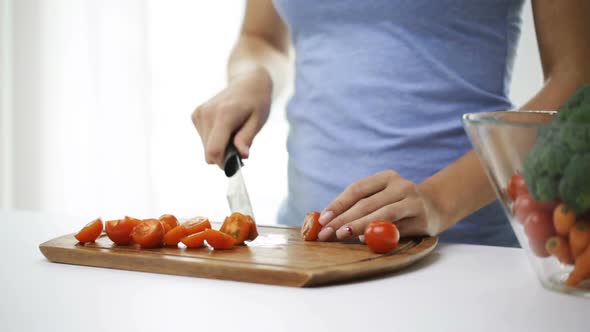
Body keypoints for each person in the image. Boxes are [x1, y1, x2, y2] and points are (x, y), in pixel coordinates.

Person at [192, 0, 590, 246]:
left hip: (464, 252)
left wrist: (436, 200)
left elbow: (577, 81)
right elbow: (259, 38)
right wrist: (252, 76)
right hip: (305, 247)